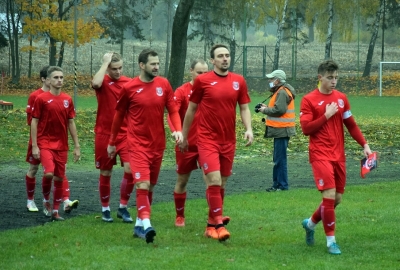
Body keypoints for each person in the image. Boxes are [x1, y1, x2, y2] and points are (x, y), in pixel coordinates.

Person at [107, 48, 183, 243]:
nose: (157, 67)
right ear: (142, 65)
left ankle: (139, 226)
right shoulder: (130, 88)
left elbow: (173, 110)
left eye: (158, 63)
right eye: (153, 64)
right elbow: (118, 117)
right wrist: (112, 142)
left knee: (150, 188)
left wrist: (178, 129)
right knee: (142, 183)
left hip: (157, 145)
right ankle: (147, 224)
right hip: (136, 145)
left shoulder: (164, 84)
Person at [179, 44, 253, 241]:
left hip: (228, 140)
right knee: (213, 180)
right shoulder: (203, 81)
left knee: (222, 183)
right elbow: (191, 110)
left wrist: (249, 129)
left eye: (227, 55)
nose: (225, 59)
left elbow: (244, 108)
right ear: (213, 61)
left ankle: (210, 225)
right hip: (207, 140)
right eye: (220, 56)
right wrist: (185, 136)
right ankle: (219, 224)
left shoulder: (239, 81)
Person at [299, 59, 372, 255]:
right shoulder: (308, 100)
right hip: (320, 154)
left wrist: (365, 145)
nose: (334, 81)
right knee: (329, 196)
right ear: (320, 77)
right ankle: (331, 242)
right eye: (330, 77)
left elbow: (351, 125)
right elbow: (306, 129)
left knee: (337, 199)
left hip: (338, 155)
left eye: (336, 77)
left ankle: (310, 223)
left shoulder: (341, 98)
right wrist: (326, 115)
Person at [25, 65, 79, 216]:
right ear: (46, 80)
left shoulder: (67, 99)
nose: (59, 80)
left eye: (61, 77)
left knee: (59, 175)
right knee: (40, 171)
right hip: (41, 141)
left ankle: (59, 206)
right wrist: (35, 145)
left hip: (60, 144)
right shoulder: (38, 97)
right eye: (56, 77)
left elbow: (71, 122)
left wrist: (77, 145)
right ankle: (35, 200)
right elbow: (33, 121)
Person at [91, 52, 134, 223]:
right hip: (104, 133)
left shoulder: (129, 83)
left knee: (131, 169)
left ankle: (123, 207)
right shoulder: (102, 82)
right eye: (114, 69)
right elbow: (95, 83)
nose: (118, 71)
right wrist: (104, 62)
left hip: (125, 134)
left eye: (120, 68)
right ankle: (105, 208)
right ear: (108, 68)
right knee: (106, 171)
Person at [166, 59, 208, 227]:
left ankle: (214, 218)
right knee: (182, 181)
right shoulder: (182, 91)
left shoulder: (211, 90)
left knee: (211, 180)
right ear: (191, 71)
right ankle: (180, 216)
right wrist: (177, 133)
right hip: (186, 144)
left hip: (207, 143)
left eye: (206, 72)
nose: (203, 76)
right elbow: (172, 113)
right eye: (199, 72)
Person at [258, 69, 296, 192]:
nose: (269, 81)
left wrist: (264, 110)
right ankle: (277, 185)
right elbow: (277, 108)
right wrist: (266, 107)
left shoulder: (282, 92)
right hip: (281, 130)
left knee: (280, 159)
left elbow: (279, 110)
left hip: (282, 130)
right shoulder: (280, 91)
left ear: (277, 80)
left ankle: (282, 186)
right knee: (278, 159)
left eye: (271, 79)